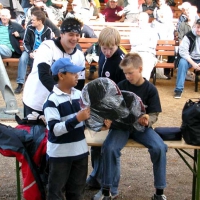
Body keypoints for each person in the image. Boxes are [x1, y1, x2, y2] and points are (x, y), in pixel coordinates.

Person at [92, 53, 167, 200]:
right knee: (109, 148)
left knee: (159, 147)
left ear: (140, 69)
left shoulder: (150, 89)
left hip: (141, 129)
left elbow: (154, 114)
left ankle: (159, 192)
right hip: (121, 128)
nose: (127, 76)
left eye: (130, 73)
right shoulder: (120, 86)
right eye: (125, 73)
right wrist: (108, 119)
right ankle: (107, 190)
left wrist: (148, 119)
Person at [86, 26, 126, 199]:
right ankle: (97, 175)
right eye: (104, 48)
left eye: (111, 48)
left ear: (117, 44)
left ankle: (111, 187)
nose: (107, 52)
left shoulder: (122, 62)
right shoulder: (102, 53)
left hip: (116, 110)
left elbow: (124, 94)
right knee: (95, 145)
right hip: (101, 106)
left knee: (111, 147)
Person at [43, 58, 90, 200]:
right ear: (61, 75)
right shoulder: (51, 101)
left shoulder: (79, 95)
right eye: (73, 73)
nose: (78, 76)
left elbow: (85, 122)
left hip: (80, 153)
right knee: (55, 193)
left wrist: (100, 125)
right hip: (59, 156)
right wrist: (77, 119)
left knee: (77, 193)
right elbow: (55, 129)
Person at [22, 17, 85, 117]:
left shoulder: (79, 55)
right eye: (71, 34)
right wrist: (63, 96)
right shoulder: (47, 46)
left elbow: (79, 83)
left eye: (77, 35)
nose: (74, 38)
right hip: (36, 102)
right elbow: (43, 75)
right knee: (34, 132)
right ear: (62, 34)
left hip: (59, 106)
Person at [14, 9, 54, 94]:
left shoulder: (48, 31)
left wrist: (40, 51)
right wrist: (30, 52)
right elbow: (25, 42)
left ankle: (46, 84)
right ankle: (20, 83)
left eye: (33, 20)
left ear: (40, 21)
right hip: (30, 51)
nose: (31, 21)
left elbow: (50, 45)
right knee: (23, 58)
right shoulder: (29, 28)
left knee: (49, 60)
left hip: (43, 53)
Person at [174, 18, 200, 99]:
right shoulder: (189, 36)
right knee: (182, 62)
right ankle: (178, 90)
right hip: (189, 58)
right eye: (198, 27)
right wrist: (193, 64)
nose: (198, 29)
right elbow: (183, 52)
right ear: (195, 26)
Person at [130, 12, 158, 80]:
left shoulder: (152, 31)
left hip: (148, 54)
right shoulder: (134, 31)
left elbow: (153, 45)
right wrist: (144, 43)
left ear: (147, 21)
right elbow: (132, 42)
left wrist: (140, 44)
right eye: (138, 20)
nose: (139, 22)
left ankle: (143, 83)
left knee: (146, 62)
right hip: (135, 53)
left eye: (141, 20)